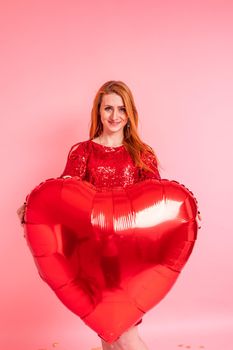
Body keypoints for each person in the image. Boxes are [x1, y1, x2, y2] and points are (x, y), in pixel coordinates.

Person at [17, 80, 201, 350]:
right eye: (108, 109)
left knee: (125, 335)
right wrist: (31, 207)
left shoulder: (141, 154)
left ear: (130, 115)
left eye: (121, 109)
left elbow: (158, 203)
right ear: (98, 111)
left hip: (131, 258)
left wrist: (188, 216)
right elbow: (63, 195)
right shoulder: (82, 152)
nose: (115, 116)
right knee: (107, 334)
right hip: (92, 258)